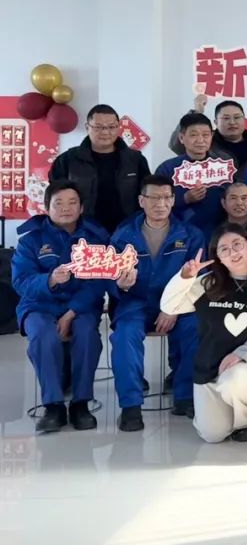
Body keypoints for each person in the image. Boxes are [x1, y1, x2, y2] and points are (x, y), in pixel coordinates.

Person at [160, 225, 247, 443]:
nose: (233, 252)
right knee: (213, 435)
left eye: (237, 244)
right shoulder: (207, 283)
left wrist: (241, 354)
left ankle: (244, 422)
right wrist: (184, 278)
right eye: (224, 249)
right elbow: (170, 306)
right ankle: (216, 413)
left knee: (235, 379)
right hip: (209, 365)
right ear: (217, 256)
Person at [105, 175, 205, 432]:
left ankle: (185, 396)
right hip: (135, 302)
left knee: (195, 329)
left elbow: (199, 281)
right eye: (154, 198)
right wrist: (120, 285)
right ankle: (130, 406)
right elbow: (108, 278)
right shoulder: (122, 236)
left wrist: (173, 308)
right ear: (142, 201)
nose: (161, 204)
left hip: (178, 304)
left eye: (166, 198)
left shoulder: (190, 234)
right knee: (124, 336)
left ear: (173, 200)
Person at [11, 180, 109, 433]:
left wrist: (72, 311)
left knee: (87, 335)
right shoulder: (30, 240)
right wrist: (50, 280)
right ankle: (53, 405)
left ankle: (80, 403)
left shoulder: (96, 238)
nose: (66, 208)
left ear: (82, 207)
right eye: (58, 203)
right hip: (39, 305)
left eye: (72, 202)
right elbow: (21, 281)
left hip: (81, 306)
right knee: (43, 335)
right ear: (47, 208)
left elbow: (99, 282)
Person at [49, 104, 151, 233]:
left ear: (118, 127)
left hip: (127, 230)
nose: (105, 132)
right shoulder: (68, 160)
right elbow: (55, 196)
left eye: (111, 127)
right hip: (82, 230)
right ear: (87, 127)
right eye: (98, 127)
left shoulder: (135, 160)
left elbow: (147, 195)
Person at [155, 113, 226, 237]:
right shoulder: (167, 169)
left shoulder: (223, 167)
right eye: (193, 135)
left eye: (205, 135)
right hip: (179, 234)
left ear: (212, 136)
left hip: (218, 234)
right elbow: (154, 202)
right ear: (181, 138)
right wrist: (184, 199)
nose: (200, 140)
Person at [169, 96, 247, 169]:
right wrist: (197, 113)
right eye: (226, 118)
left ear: (244, 120)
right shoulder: (207, 141)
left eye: (237, 117)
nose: (232, 122)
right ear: (216, 122)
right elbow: (176, 146)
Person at [220, 181, 247, 258]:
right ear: (223, 203)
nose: (239, 203)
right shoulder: (215, 232)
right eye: (233, 198)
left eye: (244, 198)